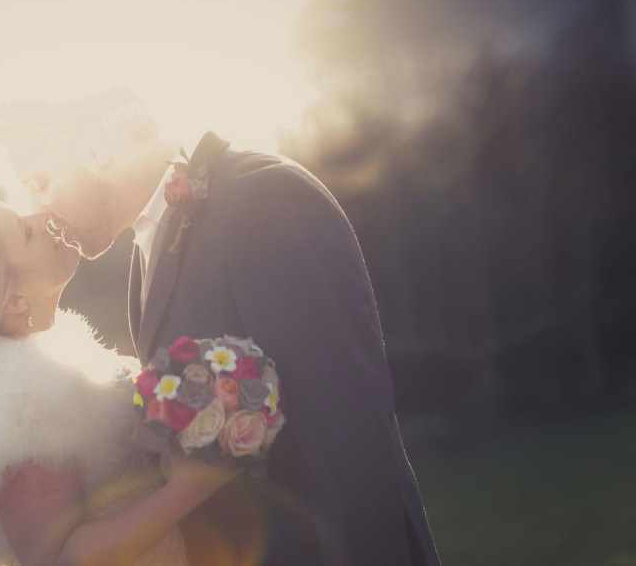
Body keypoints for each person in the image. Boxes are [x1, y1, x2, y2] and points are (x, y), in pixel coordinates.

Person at [40, 125, 443, 566]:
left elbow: (343, 426)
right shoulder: (145, 253)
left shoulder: (263, 197)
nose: (40, 212)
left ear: (94, 147)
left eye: (41, 183)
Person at [0, 193, 234, 566]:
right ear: (12, 301)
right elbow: (59, 559)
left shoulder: (58, 371)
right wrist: (191, 487)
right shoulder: (11, 407)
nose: (42, 217)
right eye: (26, 232)